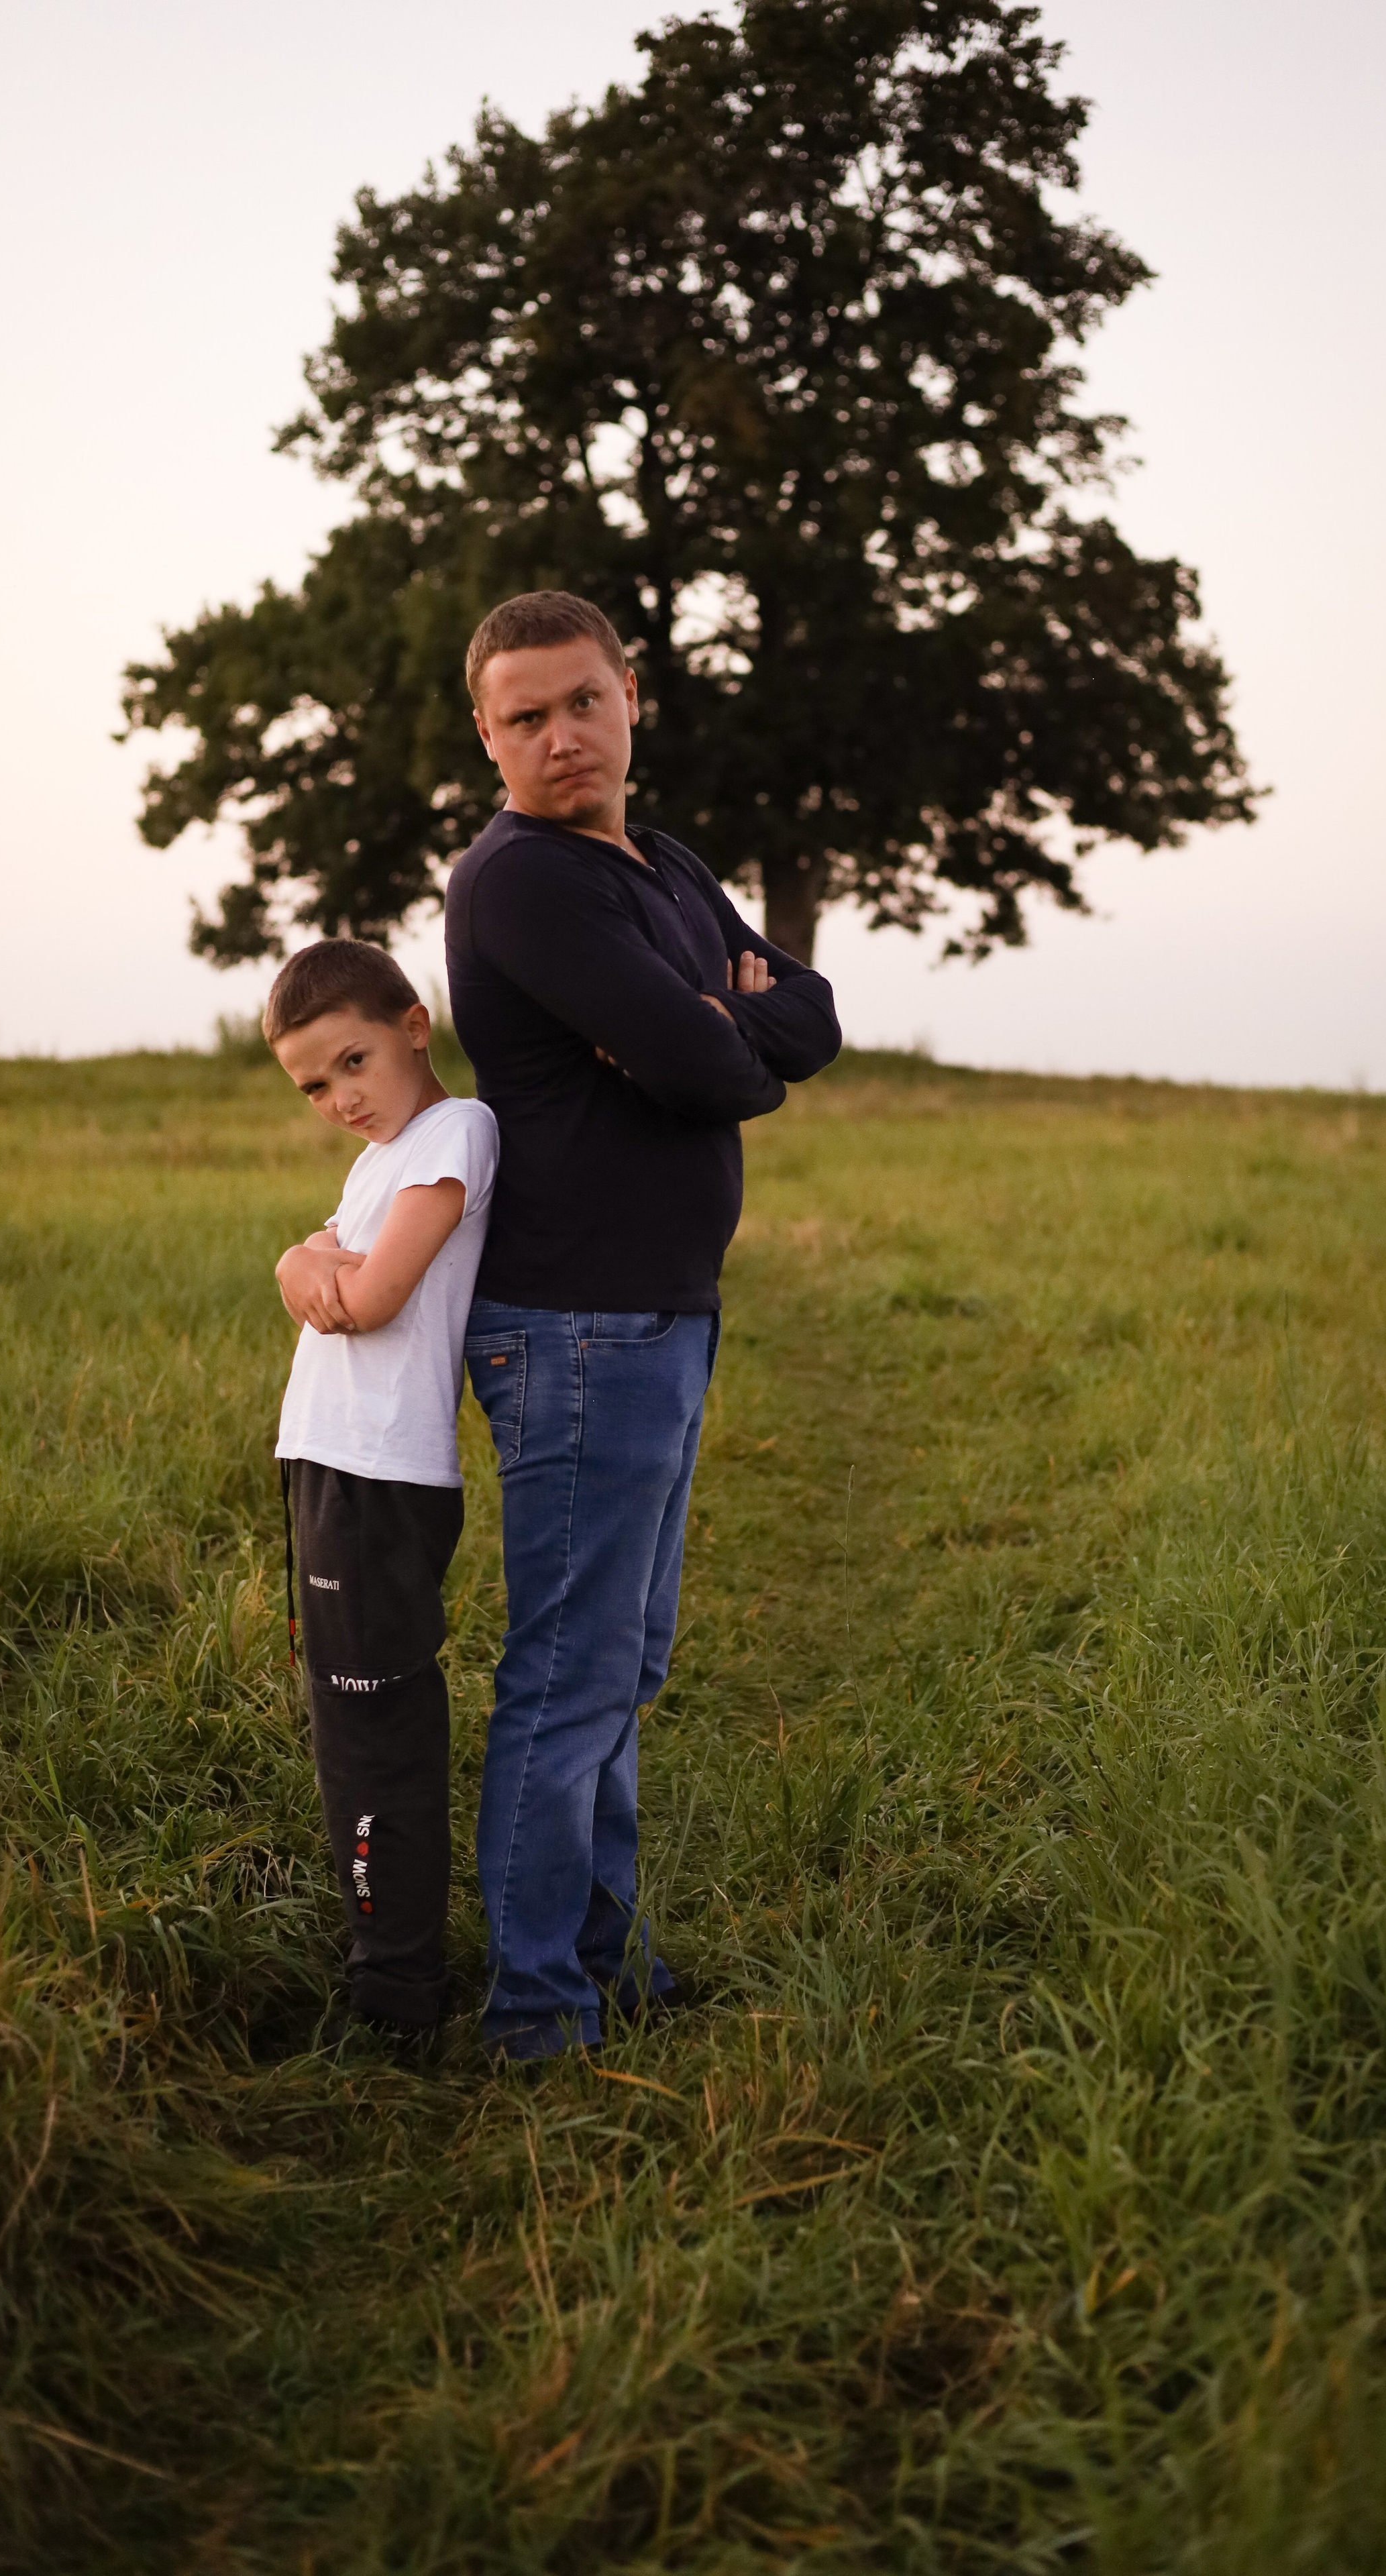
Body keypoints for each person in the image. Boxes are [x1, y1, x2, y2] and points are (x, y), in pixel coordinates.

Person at [445, 589, 842, 2065]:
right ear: (486, 735)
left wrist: (714, 1017)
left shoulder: (662, 863)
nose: (561, 738)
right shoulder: (522, 884)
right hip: (573, 1329)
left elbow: (804, 1019)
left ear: (632, 697)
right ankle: (538, 2008)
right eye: (526, 717)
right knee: (567, 1672)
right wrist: (708, 1024)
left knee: (623, 1665)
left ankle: (606, 1966)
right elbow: (714, 1066)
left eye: (583, 703)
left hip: (660, 1316)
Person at [266, 938, 498, 2039]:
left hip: (378, 1477)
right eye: (314, 1085)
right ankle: (388, 1967)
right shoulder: (383, 1159)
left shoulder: (456, 1133)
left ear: (415, 1024)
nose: (339, 1099)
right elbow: (333, 1268)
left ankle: (399, 1995)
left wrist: (297, 1268)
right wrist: (311, 1264)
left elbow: (373, 1295)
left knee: (374, 1736)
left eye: (353, 1062)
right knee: (344, 1726)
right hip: (330, 1467)